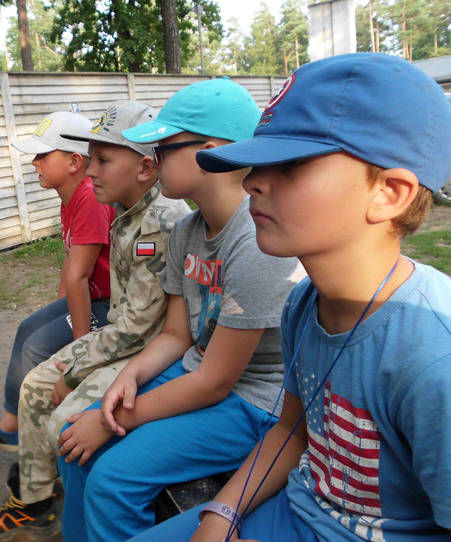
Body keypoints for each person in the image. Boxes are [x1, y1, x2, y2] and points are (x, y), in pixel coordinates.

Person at [133, 53, 451, 542]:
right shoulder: (303, 304)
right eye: (259, 163)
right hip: (296, 508)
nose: (252, 181)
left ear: (389, 192)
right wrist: (222, 513)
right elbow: (291, 432)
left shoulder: (433, 360)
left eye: (292, 164)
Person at [55, 78, 305, 542]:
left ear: (210, 154)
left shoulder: (255, 243)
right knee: (73, 440)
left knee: (113, 480)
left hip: (254, 402)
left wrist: (116, 419)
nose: (153, 160)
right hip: (196, 371)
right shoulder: (187, 231)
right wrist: (130, 375)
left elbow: (216, 382)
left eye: (163, 150)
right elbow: (176, 335)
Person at [0, 101, 191, 540]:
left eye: (102, 160)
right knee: (34, 385)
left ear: (145, 168)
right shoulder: (127, 208)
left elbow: (138, 329)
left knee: (63, 422)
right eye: (90, 159)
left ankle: (81, 514)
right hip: (126, 337)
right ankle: (35, 502)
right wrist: (75, 361)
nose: (90, 171)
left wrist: (75, 369)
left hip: (150, 350)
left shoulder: (159, 221)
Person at [0, 111, 115, 451]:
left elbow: (80, 275)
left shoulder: (89, 197)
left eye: (43, 154)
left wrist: (79, 352)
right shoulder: (70, 197)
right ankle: (10, 424)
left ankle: (38, 439)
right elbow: (72, 262)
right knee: (28, 328)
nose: (34, 163)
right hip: (91, 296)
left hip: (109, 305)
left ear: (74, 161)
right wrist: (56, 308)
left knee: (36, 346)